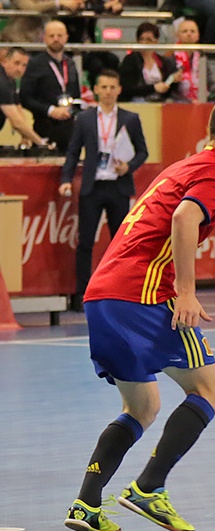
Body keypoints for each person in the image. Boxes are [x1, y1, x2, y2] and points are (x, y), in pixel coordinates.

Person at [63, 93, 215, 531]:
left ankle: (86, 503)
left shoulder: (184, 166)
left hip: (103, 295)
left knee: (142, 405)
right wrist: (187, 292)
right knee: (211, 390)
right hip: (142, 295)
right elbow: (184, 218)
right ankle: (149, 487)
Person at [59, 69, 149, 312]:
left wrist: (128, 167)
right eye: (104, 87)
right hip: (93, 186)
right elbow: (73, 151)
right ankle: (82, 294)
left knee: (121, 243)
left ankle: (123, 290)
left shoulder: (130, 119)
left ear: (119, 90)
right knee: (85, 242)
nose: (108, 92)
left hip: (118, 186)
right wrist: (66, 178)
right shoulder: (85, 119)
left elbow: (143, 151)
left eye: (112, 87)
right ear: (96, 90)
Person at [19, 20, 82, 151]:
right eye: (51, 36)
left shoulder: (70, 63)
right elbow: (25, 98)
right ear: (44, 38)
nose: (56, 39)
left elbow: (76, 95)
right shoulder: (35, 64)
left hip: (69, 127)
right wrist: (50, 110)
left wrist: (71, 110)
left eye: (59, 36)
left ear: (66, 37)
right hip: (45, 125)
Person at [0, 47, 53, 148]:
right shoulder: (2, 83)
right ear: (4, 62)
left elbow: (18, 110)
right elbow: (16, 122)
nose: (20, 69)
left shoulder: (10, 81)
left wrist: (25, 136)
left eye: (24, 65)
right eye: (16, 63)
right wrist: (41, 142)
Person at [118, 22, 182, 103]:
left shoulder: (162, 61)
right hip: (137, 101)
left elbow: (167, 90)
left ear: (156, 41)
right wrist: (153, 88)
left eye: (149, 40)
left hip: (159, 100)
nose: (144, 43)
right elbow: (127, 89)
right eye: (142, 39)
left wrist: (173, 81)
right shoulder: (130, 60)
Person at [171, 17, 215, 103]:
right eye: (185, 31)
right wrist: (173, 79)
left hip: (202, 98)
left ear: (197, 36)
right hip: (179, 100)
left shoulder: (202, 57)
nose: (189, 34)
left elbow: (210, 83)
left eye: (192, 31)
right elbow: (169, 89)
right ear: (177, 35)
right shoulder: (170, 57)